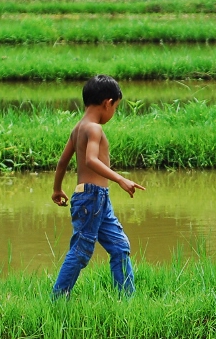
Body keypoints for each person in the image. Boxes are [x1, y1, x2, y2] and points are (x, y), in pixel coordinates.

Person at [50, 75, 145, 297]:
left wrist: (57, 188)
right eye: (116, 108)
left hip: (98, 199)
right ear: (107, 103)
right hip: (91, 198)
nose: (113, 112)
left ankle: (127, 299)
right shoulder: (94, 129)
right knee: (81, 250)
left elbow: (62, 162)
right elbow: (91, 160)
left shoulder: (78, 128)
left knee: (120, 246)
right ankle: (58, 298)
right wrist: (120, 179)